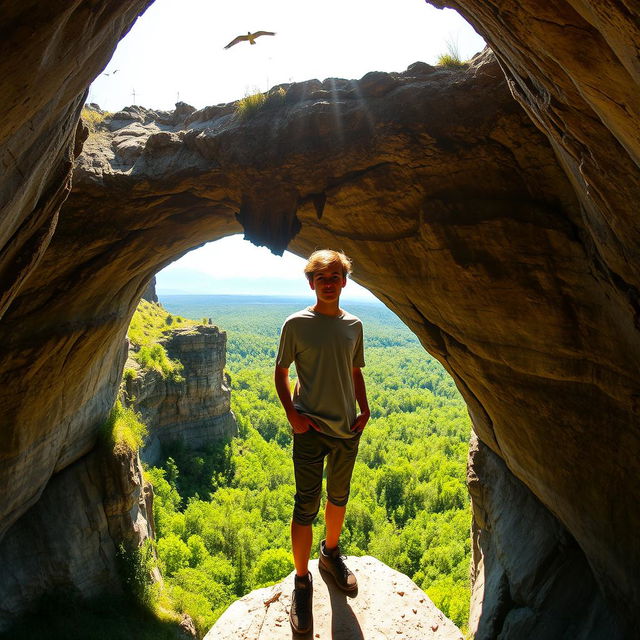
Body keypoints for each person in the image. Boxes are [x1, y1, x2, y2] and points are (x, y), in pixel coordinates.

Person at [274, 249, 370, 634]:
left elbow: (354, 370)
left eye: (334, 277)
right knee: (305, 504)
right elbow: (281, 373)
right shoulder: (296, 324)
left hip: (347, 428)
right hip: (310, 428)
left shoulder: (354, 325)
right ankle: (301, 582)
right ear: (311, 283)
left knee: (339, 497)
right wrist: (292, 416)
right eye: (321, 278)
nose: (328, 283)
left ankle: (330, 556)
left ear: (344, 281)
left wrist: (364, 409)